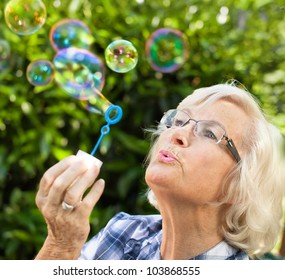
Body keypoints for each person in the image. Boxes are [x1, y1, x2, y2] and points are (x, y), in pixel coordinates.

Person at [35, 82, 285, 260]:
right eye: (178, 121)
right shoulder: (124, 233)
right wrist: (61, 245)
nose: (178, 133)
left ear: (240, 186)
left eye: (210, 133)